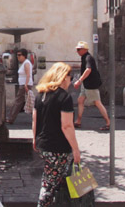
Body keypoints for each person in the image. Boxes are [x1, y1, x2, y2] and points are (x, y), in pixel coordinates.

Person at [32, 62, 81, 207]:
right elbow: (67, 126)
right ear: (63, 77)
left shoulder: (40, 95)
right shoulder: (64, 97)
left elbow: (34, 121)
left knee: (53, 177)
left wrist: (34, 140)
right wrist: (76, 149)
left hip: (43, 144)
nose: (71, 80)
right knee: (50, 183)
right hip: (58, 147)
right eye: (70, 77)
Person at [73, 41, 111, 130]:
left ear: (85, 49)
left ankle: (108, 122)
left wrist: (79, 81)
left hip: (90, 84)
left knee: (97, 103)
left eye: (79, 49)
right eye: (77, 49)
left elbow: (88, 70)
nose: (77, 51)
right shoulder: (84, 57)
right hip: (86, 84)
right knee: (80, 100)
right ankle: (78, 121)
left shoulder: (88, 57)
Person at [6, 48, 34, 124]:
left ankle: (11, 118)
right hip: (24, 84)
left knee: (18, 101)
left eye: (19, 55)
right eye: (17, 55)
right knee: (27, 101)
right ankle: (36, 117)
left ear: (24, 56)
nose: (18, 57)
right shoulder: (24, 63)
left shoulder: (26, 63)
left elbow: (28, 74)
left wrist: (25, 84)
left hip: (25, 85)